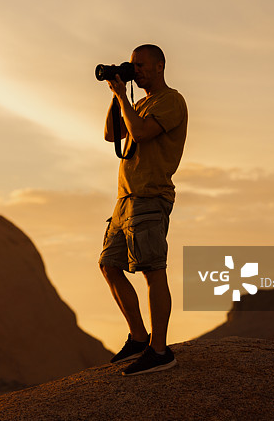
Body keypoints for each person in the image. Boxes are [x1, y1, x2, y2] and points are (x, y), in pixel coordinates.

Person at [99, 43, 187, 376]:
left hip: (150, 195)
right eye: (132, 65)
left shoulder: (171, 101)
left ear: (160, 66)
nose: (135, 70)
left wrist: (124, 98)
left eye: (141, 65)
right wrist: (116, 93)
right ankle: (138, 337)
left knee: (152, 270)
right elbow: (111, 135)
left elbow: (139, 132)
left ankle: (160, 350)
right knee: (109, 265)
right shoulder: (139, 103)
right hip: (126, 199)